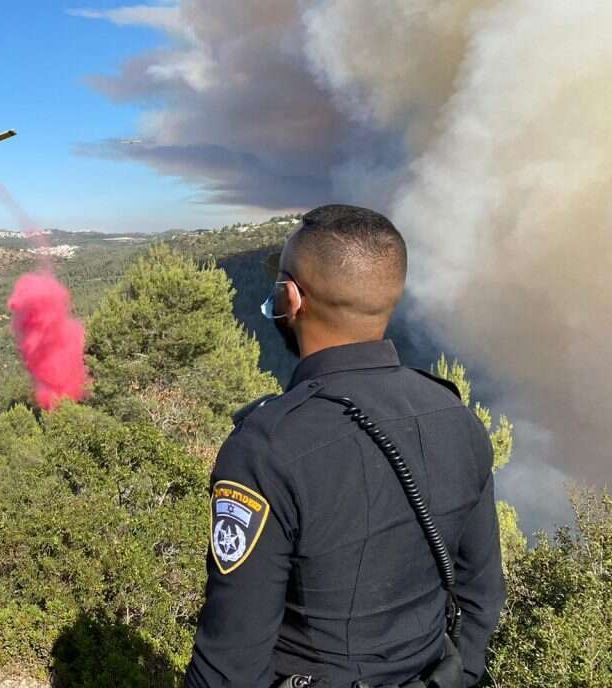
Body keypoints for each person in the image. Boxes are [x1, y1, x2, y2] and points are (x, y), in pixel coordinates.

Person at [184, 205, 504, 688]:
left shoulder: (265, 450)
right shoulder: (459, 420)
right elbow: (482, 593)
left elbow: (230, 664)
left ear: (290, 297)